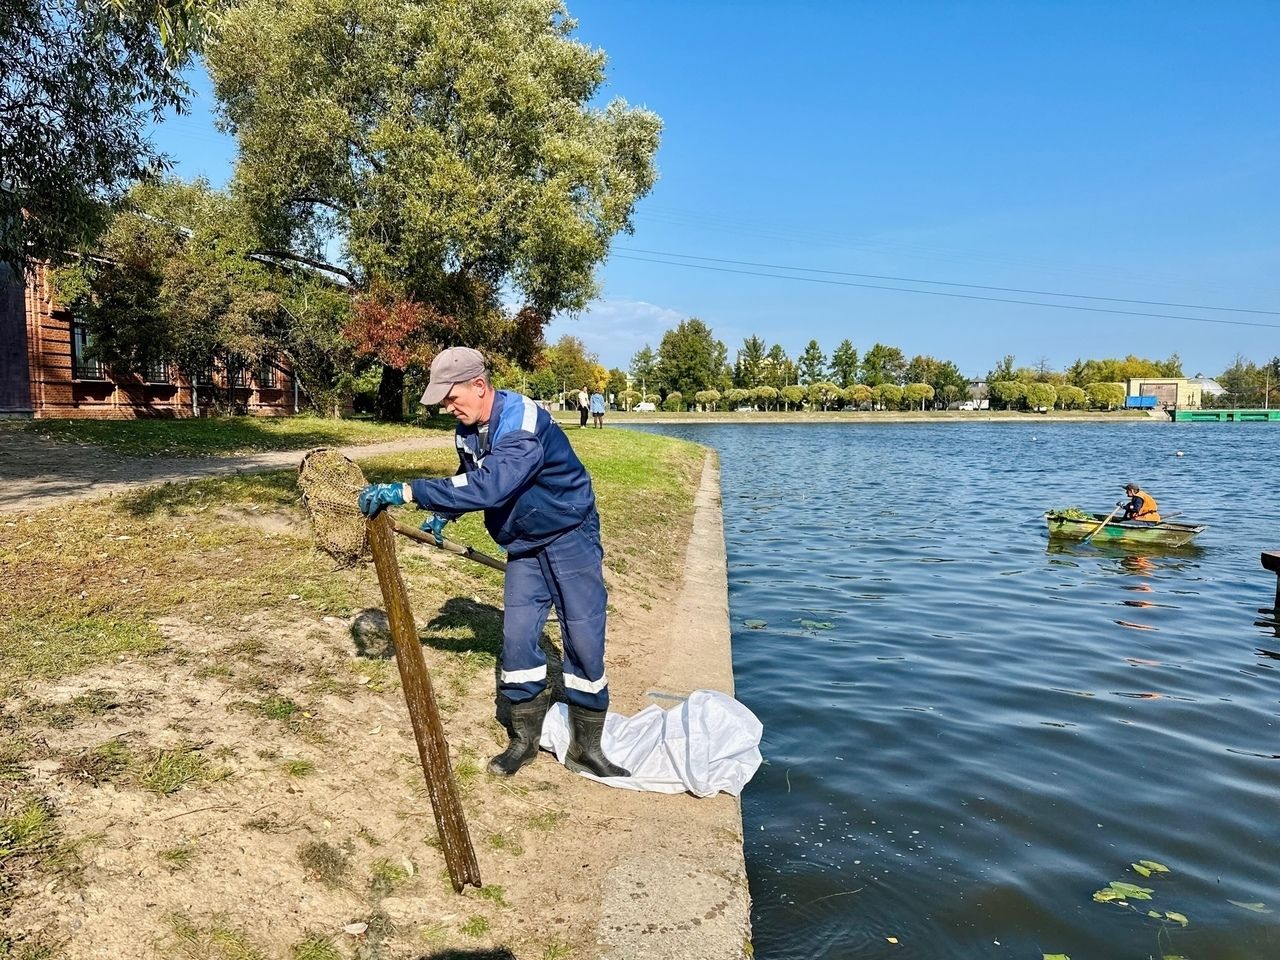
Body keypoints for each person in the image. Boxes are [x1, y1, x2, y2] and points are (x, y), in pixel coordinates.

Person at [357, 347, 630, 780]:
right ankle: (522, 742)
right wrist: (445, 513)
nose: (447, 408)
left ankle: (586, 747)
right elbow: (469, 472)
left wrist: (409, 491)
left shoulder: (522, 424)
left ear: (479, 386)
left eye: (451, 398)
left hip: (569, 535)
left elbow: (491, 485)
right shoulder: (468, 428)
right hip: (523, 543)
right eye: (443, 401)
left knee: (583, 637)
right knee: (518, 640)